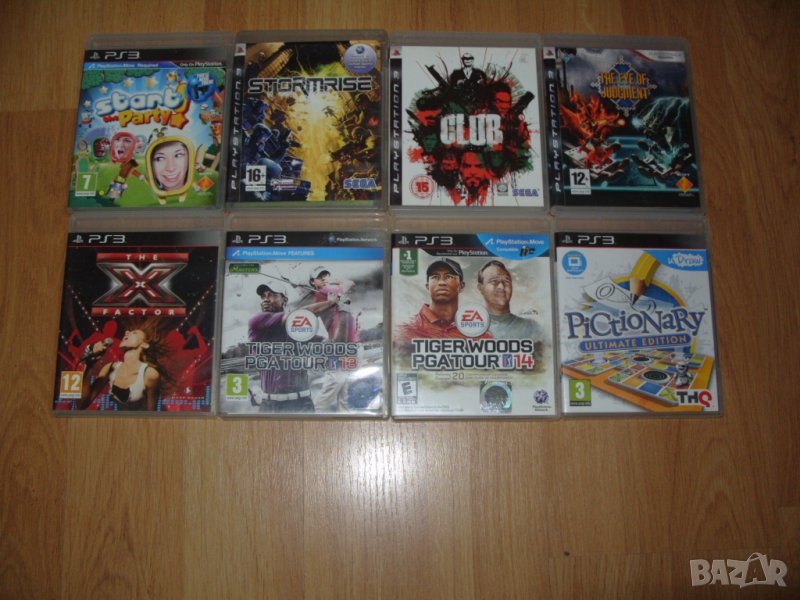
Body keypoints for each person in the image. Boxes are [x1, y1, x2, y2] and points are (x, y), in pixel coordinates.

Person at [248, 282, 339, 413]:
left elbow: (325, 344)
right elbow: (299, 316)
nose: (266, 299)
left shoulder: (296, 329)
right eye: (263, 296)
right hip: (270, 405)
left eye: (272, 295)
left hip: (302, 403)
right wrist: (330, 302)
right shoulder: (258, 320)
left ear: (284, 300)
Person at [78, 321, 165, 411]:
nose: (126, 332)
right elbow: (81, 404)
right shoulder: (110, 368)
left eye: (134, 333)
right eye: (127, 332)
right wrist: (89, 364)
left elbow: (151, 414)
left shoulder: (150, 374)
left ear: (144, 344)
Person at [396, 258, 469, 342]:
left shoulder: (474, 329)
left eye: (449, 276)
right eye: (435, 277)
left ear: (461, 285)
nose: (441, 282)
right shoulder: (406, 330)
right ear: (427, 286)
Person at [476, 260, 542, 340]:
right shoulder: (470, 328)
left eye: (506, 281)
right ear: (480, 288)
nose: (501, 287)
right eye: (494, 281)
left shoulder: (531, 328)